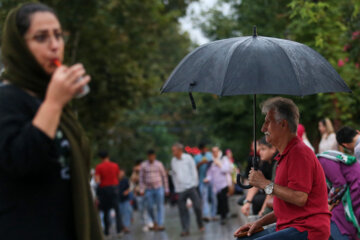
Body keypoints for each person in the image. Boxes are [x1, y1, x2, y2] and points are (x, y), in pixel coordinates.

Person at [0, 3, 102, 239]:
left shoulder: (55, 101)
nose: (54, 46)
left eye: (58, 36)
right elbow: (22, 161)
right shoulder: (7, 99)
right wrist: (53, 104)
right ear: (19, 47)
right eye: (41, 37)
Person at [234, 97, 331, 240]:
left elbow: (299, 198)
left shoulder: (299, 153)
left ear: (283, 124)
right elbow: (285, 208)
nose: (263, 128)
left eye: (268, 122)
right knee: (245, 238)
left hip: (308, 229)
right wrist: (259, 222)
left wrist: (265, 183)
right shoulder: (286, 155)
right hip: (292, 225)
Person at [317, 151, 360, 240]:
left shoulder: (322, 161)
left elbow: (340, 185)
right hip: (350, 187)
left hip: (355, 186)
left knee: (337, 217)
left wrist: (328, 205)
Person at [171, 143, 204, 237]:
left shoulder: (188, 158)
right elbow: (173, 174)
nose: (173, 152)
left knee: (197, 206)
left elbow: (194, 170)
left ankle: (200, 223)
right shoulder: (173, 160)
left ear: (180, 150)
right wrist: (176, 186)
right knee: (182, 210)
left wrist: (195, 184)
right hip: (180, 189)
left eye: (174, 150)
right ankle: (185, 229)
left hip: (191, 186)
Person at [241, 137, 277, 217]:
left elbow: (271, 189)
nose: (260, 152)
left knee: (257, 200)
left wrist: (263, 211)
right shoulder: (264, 162)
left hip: (278, 195)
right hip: (268, 192)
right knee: (248, 200)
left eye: (263, 149)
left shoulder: (277, 163)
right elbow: (255, 184)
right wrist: (247, 202)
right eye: (259, 150)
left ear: (273, 149)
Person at [139, 149, 169, 231]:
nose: (151, 157)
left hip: (159, 187)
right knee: (150, 206)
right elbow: (141, 178)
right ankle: (154, 221)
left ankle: (160, 223)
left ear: (154, 156)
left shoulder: (159, 164)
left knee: (160, 206)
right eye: (149, 156)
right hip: (149, 189)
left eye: (152, 156)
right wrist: (141, 189)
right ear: (148, 156)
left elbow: (164, 176)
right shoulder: (144, 165)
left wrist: (166, 188)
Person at [95, 151, 123, 237]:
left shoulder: (99, 167)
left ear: (100, 158)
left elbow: (97, 180)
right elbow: (119, 177)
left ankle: (107, 231)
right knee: (117, 210)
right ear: (108, 156)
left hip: (104, 190)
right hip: (114, 188)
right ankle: (119, 230)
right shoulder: (115, 165)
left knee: (105, 211)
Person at [205, 146, 233, 224]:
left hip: (224, 184)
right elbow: (209, 173)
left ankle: (224, 216)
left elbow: (227, 170)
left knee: (223, 199)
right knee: (219, 201)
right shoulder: (211, 162)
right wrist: (207, 178)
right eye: (213, 151)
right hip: (216, 185)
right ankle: (222, 215)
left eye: (216, 151)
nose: (215, 153)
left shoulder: (223, 159)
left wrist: (219, 164)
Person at [193, 143, 215, 221]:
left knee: (213, 197)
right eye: (202, 149)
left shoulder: (210, 155)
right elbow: (194, 169)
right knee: (204, 198)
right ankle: (206, 215)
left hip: (211, 180)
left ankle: (213, 215)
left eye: (204, 148)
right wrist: (200, 164)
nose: (203, 150)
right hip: (202, 180)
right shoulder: (196, 158)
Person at [130, 159, 153, 231]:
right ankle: (145, 223)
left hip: (147, 191)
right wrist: (136, 171)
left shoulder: (146, 170)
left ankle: (150, 222)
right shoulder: (135, 172)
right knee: (141, 210)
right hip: (138, 193)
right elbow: (133, 180)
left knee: (148, 207)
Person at [118, 169, 132, 233]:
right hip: (118, 199)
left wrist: (127, 191)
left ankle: (125, 226)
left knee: (126, 212)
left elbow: (130, 187)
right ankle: (121, 226)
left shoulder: (126, 180)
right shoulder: (115, 180)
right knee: (119, 213)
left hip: (125, 198)